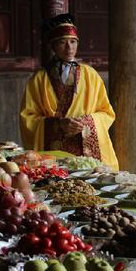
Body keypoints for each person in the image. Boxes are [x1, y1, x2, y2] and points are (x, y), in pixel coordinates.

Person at [19, 14, 119, 170]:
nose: (69, 48)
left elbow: (107, 113)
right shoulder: (39, 79)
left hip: (86, 154)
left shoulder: (90, 75)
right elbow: (28, 118)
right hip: (54, 152)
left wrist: (86, 123)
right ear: (53, 46)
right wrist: (58, 124)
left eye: (73, 42)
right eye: (62, 42)